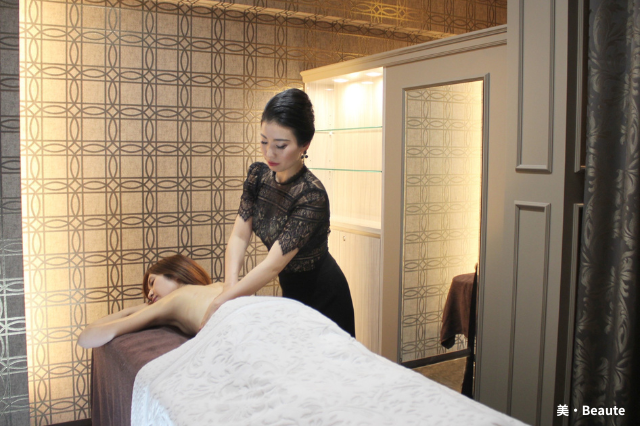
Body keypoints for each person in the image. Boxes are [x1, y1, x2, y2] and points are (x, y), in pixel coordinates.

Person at [200, 88, 356, 337]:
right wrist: (229, 286)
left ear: (305, 144)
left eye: (281, 146)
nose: (269, 153)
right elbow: (239, 235)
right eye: (264, 141)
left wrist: (223, 300)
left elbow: (273, 265)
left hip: (324, 297)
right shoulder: (258, 177)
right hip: (292, 293)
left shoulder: (311, 195)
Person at [78, 255, 222, 348]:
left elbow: (87, 337)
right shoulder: (219, 286)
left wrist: (133, 310)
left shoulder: (174, 299)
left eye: (152, 282)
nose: (150, 294)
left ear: (174, 275)